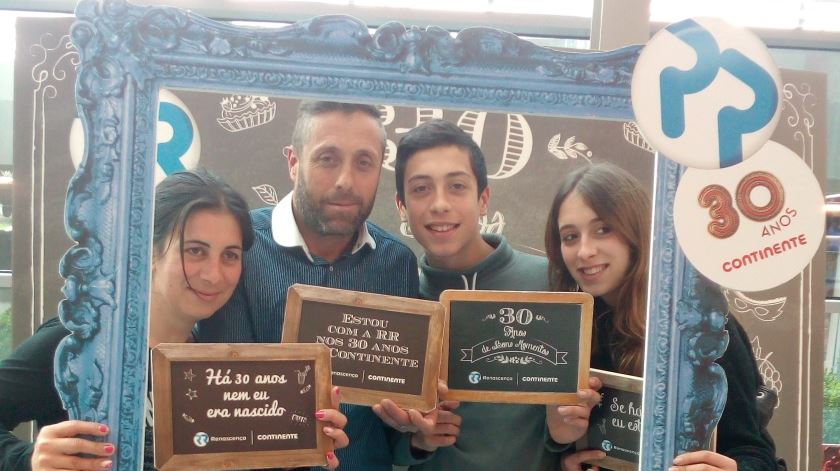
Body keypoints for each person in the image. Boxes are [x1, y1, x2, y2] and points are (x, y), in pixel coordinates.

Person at [0, 170, 348, 471]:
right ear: (149, 250)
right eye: (194, 250)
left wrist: (298, 452)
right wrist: (29, 459)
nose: (213, 275)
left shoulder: (220, 365)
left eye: (230, 255)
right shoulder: (83, 341)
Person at [195, 101, 429, 470]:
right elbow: (217, 402)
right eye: (327, 159)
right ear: (293, 161)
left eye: (364, 162)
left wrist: (413, 426)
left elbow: (397, 419)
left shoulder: (396, 262)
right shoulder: (239, 250)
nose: (345, 180)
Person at [391, 119, 601, 470]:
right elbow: (376, 438)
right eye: (421, 189)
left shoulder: (554, 283)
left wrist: (563, 434)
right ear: (401, 205)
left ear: (483, 199)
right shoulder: (400, 301)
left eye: (457, 186)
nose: (439, 204)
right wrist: (416, 442)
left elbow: (590, 418)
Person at [544, 162, 780, 471]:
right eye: (570, 236)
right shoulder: (565, 331)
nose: (584, 251)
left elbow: (755, 453)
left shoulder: (700, 324)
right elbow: (559, 446)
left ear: (636, 232)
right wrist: (565, 461)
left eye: (603, 230)